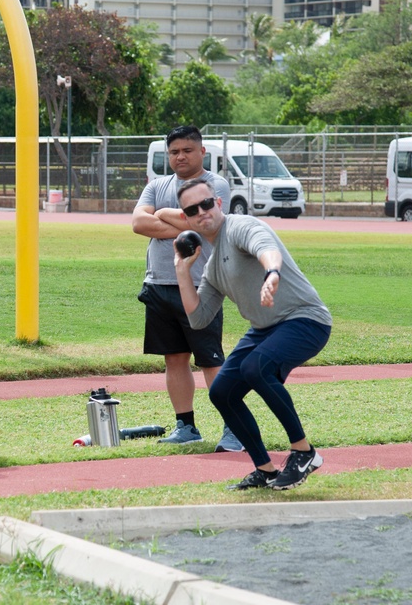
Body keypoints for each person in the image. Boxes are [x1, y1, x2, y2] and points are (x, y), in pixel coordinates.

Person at [174, 179, 332, 491]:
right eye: (193, 210)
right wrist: (182, 270)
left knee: (255, 368)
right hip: (264, 329)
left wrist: (272, 273)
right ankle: (266, 469)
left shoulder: (241, 226)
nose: (202, 212)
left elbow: (266, 248)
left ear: (219, 203)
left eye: (206, 203)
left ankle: (304, 452)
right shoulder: (212, 267)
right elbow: (198, 318)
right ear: (187, 220)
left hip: (305, 319)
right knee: (221, 392)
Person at [131, 125, 242, 450]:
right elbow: (138, 223)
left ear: (202, 152)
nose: (180, 156)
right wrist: (185, 222)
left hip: (201, 285)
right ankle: (186, 426)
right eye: (174, 151)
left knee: (210, 361)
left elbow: (209, 224)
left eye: (187, 150)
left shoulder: (213, 184)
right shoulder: (157, 184)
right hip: (159, 284)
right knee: (174, 358)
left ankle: (234, 429)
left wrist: (164, 217)